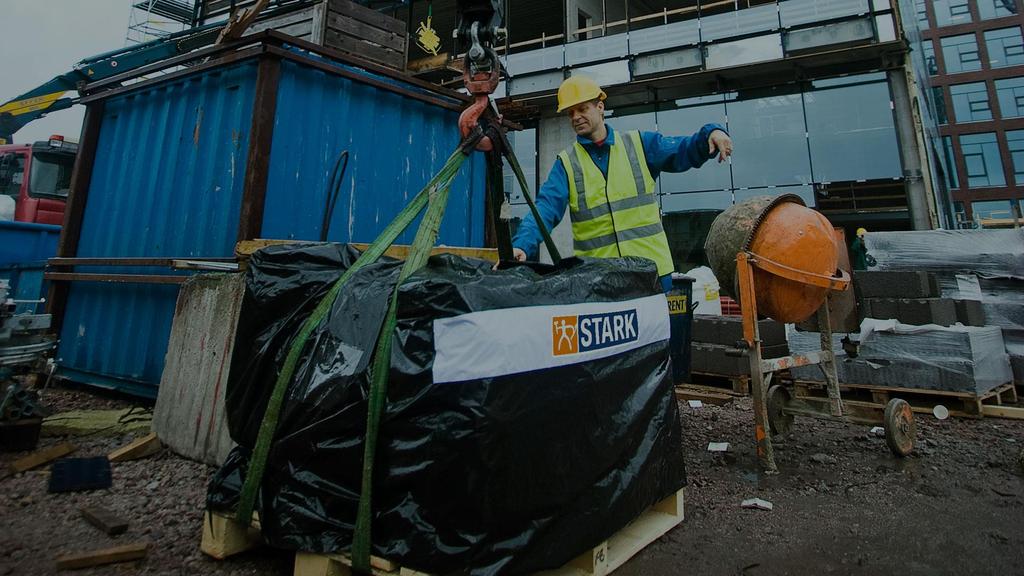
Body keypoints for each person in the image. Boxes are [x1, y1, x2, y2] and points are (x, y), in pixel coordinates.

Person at [510, 75, 733, 292]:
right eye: (570, 113)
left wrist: (710, 134)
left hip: (651, 274)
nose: (576, 117)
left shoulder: (640, 145)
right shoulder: (567, 164)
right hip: (598, 279)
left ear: (600, 107)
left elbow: (682, 150)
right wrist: (523, 244)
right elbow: (545, 210)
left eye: (582, 109)